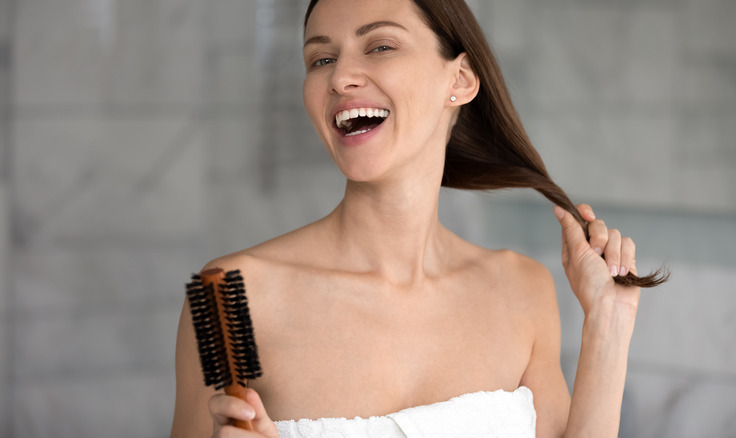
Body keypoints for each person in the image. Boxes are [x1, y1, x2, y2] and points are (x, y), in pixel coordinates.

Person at [171, 0, 667, 437]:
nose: (341, 76)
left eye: (380, 46)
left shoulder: (522, 290)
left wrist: (609, 326)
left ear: (460, 80)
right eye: (321, 59)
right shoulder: (229, 297)